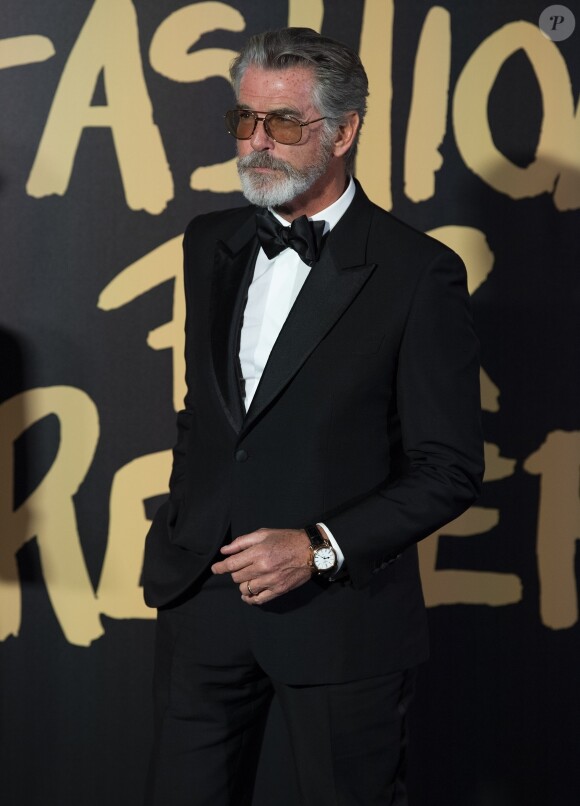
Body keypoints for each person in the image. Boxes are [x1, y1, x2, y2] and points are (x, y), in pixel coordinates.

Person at [142, 27, 484, 806]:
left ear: (346, 129)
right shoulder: (211, 242)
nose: (256, 143)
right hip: (202, 603)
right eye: (245, 120)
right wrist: (186, 531)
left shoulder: (417, 271)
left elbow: (450, 469)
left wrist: (320, 548)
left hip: (339, 620)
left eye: (285, 123)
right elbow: (209, 416)